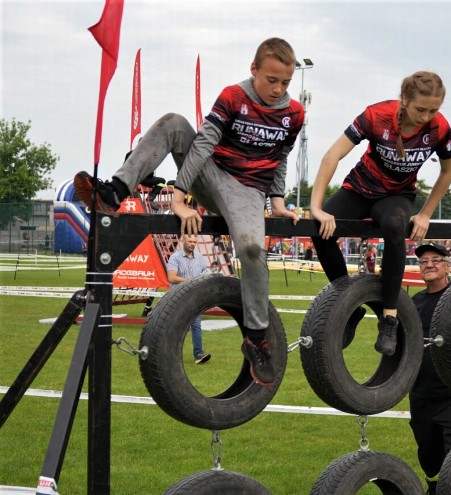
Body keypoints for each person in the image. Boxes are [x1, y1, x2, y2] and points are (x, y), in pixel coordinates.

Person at [73, 37, 303, 386]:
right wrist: (180, 197)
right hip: (211, 176)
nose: (278, 88)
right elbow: (202, 144)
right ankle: (114, 191)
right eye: (271, 80)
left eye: (285, 82)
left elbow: (280, 159)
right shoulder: (233, 96)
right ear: (253, 69)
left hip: (247, 191)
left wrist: (278, 202)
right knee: (174, 123)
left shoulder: (294, 114)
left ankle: (257, 337)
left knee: (252, 249)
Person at [310, 71, 451, 356]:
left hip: (396, 197)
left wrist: (425, 213)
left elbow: (448, 171)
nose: (426, 116)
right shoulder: (376, 116)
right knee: (319, 229)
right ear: (404, 100)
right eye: (420, 109)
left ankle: (388, 318)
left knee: (394, 226)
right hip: (359, 189)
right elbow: (332, 155)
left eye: (433, 110)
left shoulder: (438, 127)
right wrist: (316, 207)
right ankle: (347, 303)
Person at [409, 243, 451, 494]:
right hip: (422, 391)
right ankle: (434, 487)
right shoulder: (415, 302)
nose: (429, 264)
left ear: (448, 265)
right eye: (423, 261)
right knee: (427, 451)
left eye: (435, 260)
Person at [166, 234, 211, 364]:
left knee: (196, 325)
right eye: (190, 241)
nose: (192, 243)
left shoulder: (200, 257)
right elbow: (172, 278)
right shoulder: (175, 258)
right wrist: (190, 281)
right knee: (175, 326)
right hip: (177, 296)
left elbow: (204, 274)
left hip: (194, 296)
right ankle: (169, 354)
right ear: (183, 242)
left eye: (194, 241)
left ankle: (198, 355)